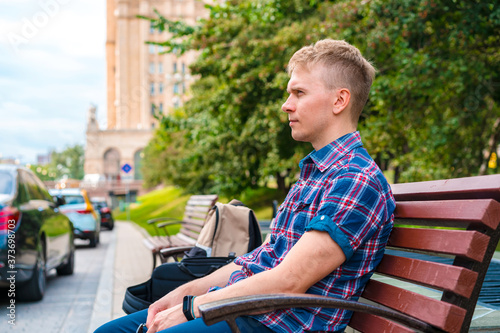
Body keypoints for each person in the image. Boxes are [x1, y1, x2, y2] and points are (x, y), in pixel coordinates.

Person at [95, 39, 395, 333]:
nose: (286, 105)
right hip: (250, 313)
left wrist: (192, 307)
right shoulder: (316, 174)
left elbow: (289, 280)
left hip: (274, 323)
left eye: (299, 93)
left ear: (339, 100)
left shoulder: (356, 180)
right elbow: (259, 258)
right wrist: (184, 292)